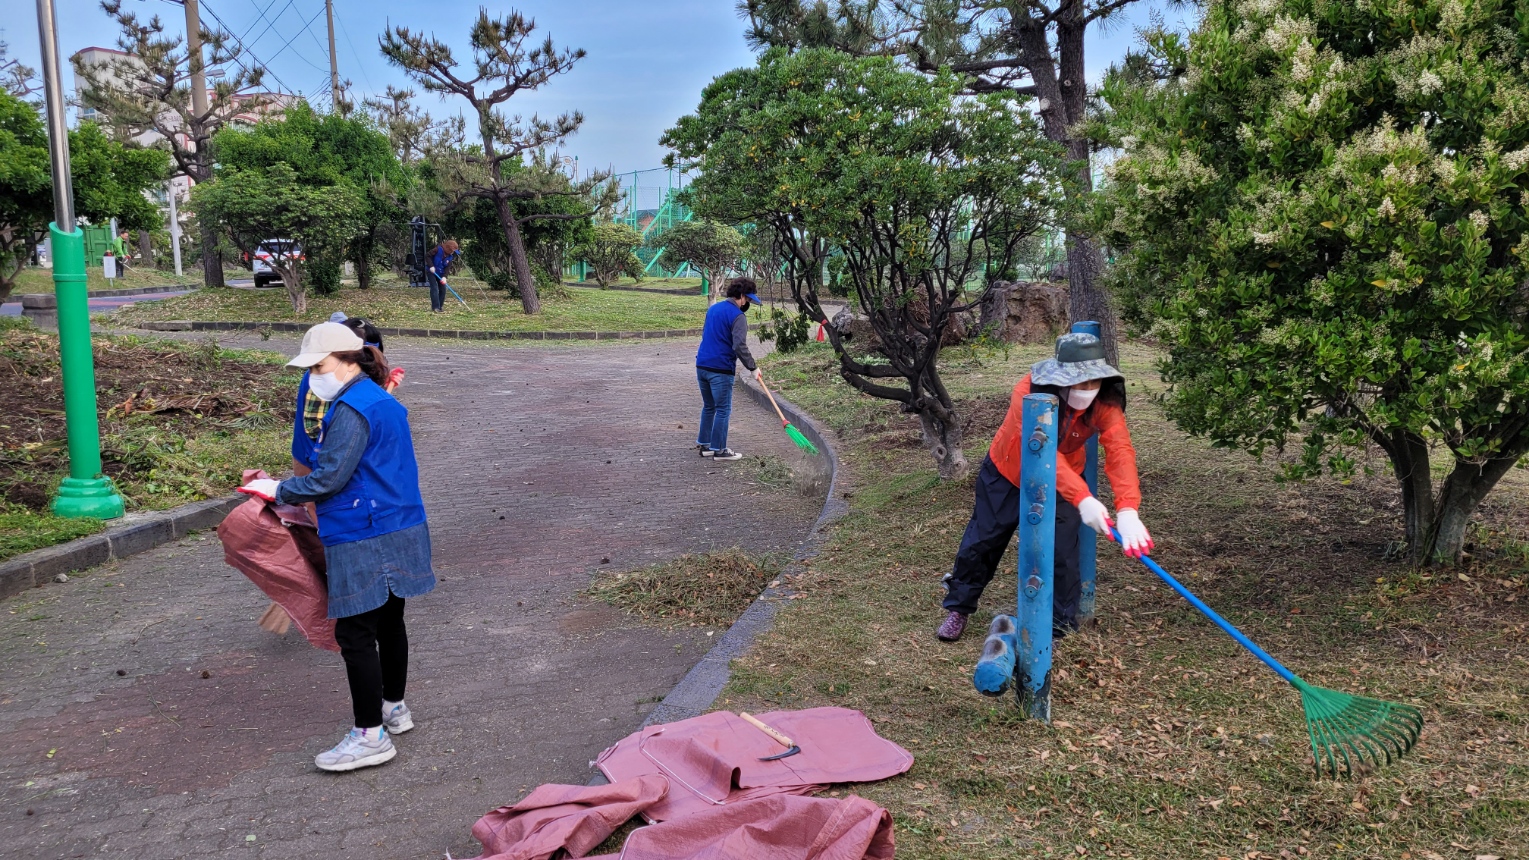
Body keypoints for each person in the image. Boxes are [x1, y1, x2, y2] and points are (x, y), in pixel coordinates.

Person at [239, 322, 434, 772]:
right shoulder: (381, 399)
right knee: (389, 620)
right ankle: (392, 709)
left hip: (363, 530)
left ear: (348, 361)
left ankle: (369, 737)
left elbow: (329, 477)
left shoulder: (351, 408)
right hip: (399, 522)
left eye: (318, 366)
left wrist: (277, 491)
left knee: (355, 634)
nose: (312, 376)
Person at [936, 332, 1154, 642]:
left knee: (1063, 552)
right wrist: (1083, 497)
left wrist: (1128, 508)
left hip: (1063, 485)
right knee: (983, 540)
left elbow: (1120, 452)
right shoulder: (1027, 391)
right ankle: (959, 607)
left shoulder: (1105, 403)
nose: (1087, 390)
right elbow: (1042, 451)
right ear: (1062, 377)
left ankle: (1059, 624)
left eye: (1093, 383)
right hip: (1008, 472)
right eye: (1079, 383)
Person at [694, 277, 763, 461]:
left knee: (709, 406)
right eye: (747, 300)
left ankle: (706, 445)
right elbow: (739, 345)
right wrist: (753, 367)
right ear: (740, 295)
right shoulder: (738, 316)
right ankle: (720, 449)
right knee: (723, 409)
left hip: (702, 365)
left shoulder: (713, 309)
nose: (747, 304)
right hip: (720, 369)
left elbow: (706, 334)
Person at [425, 240, 460, 313]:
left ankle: (440, 306)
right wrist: (431, 266)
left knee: (443, 289)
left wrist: (444, 277)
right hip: (431, 272)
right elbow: (427, 255)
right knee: (434, 288)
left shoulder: (450, 257)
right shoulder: (437, 249)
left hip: (441, 274)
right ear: (448, 248)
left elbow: (447, 268)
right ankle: (435, 307)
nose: (453, 252)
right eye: (452, 250)